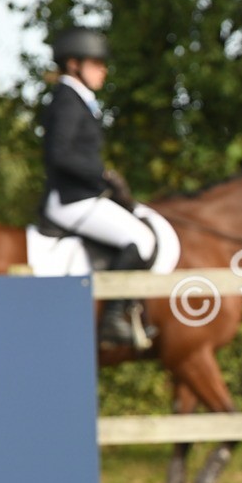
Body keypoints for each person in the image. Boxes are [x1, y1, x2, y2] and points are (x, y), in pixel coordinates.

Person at [42, 26, 155, 346]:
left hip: (83, 194)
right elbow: (59, 155)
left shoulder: (78, 100)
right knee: (140, 238)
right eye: (97, 63)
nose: (103, 70)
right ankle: (112, 321)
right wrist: (103, 177)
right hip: (71, 199)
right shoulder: (67, 100)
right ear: (74, 64)